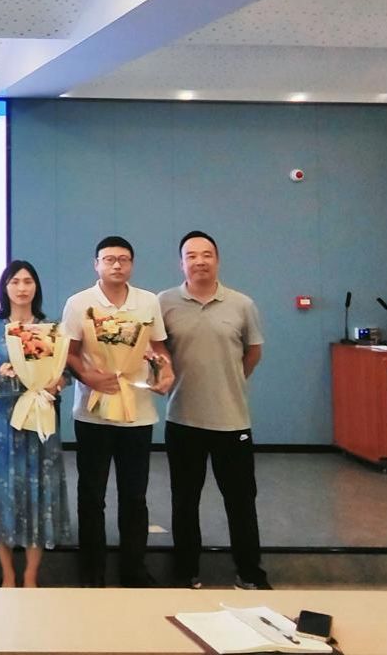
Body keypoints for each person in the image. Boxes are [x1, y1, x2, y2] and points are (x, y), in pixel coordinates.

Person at [159, 230, 270, 590]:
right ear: (181, 263)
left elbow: (252, 354)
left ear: (217, 260)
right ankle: (185, 572)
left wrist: (227, 382)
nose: (199, 261)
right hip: (183, 420)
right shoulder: (164, 303)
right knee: (184, 501)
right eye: (191, 256)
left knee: (241, 502)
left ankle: (250, 574)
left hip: (232, 422)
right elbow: (158, 351)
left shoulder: (242, 304)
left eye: (206, 255)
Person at [62, 235, 174, 588]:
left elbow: (159, 347)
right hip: (93, 412)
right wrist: (88, 376)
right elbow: (69, 352)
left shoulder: (148, 301)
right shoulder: (79, 303)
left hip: (138, 412)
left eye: (123, 259)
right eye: (109, 259)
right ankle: (91, 571)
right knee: (91, 495)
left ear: (132, 265)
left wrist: (165, 370)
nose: (116, 265)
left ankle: (134, 570)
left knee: (135, 495)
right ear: (96, 264)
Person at [0, 260, 71, 587]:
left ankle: (30, 575)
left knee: (37, 491)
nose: (22, 287)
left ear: (36, 287)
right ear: (5, 287)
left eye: (28, 281)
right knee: (2, 493)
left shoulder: (50, 328)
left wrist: (56, 383)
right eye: (15, 281)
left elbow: (65, 372)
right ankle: (8, 575)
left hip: (38, 418)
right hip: (0, 420)